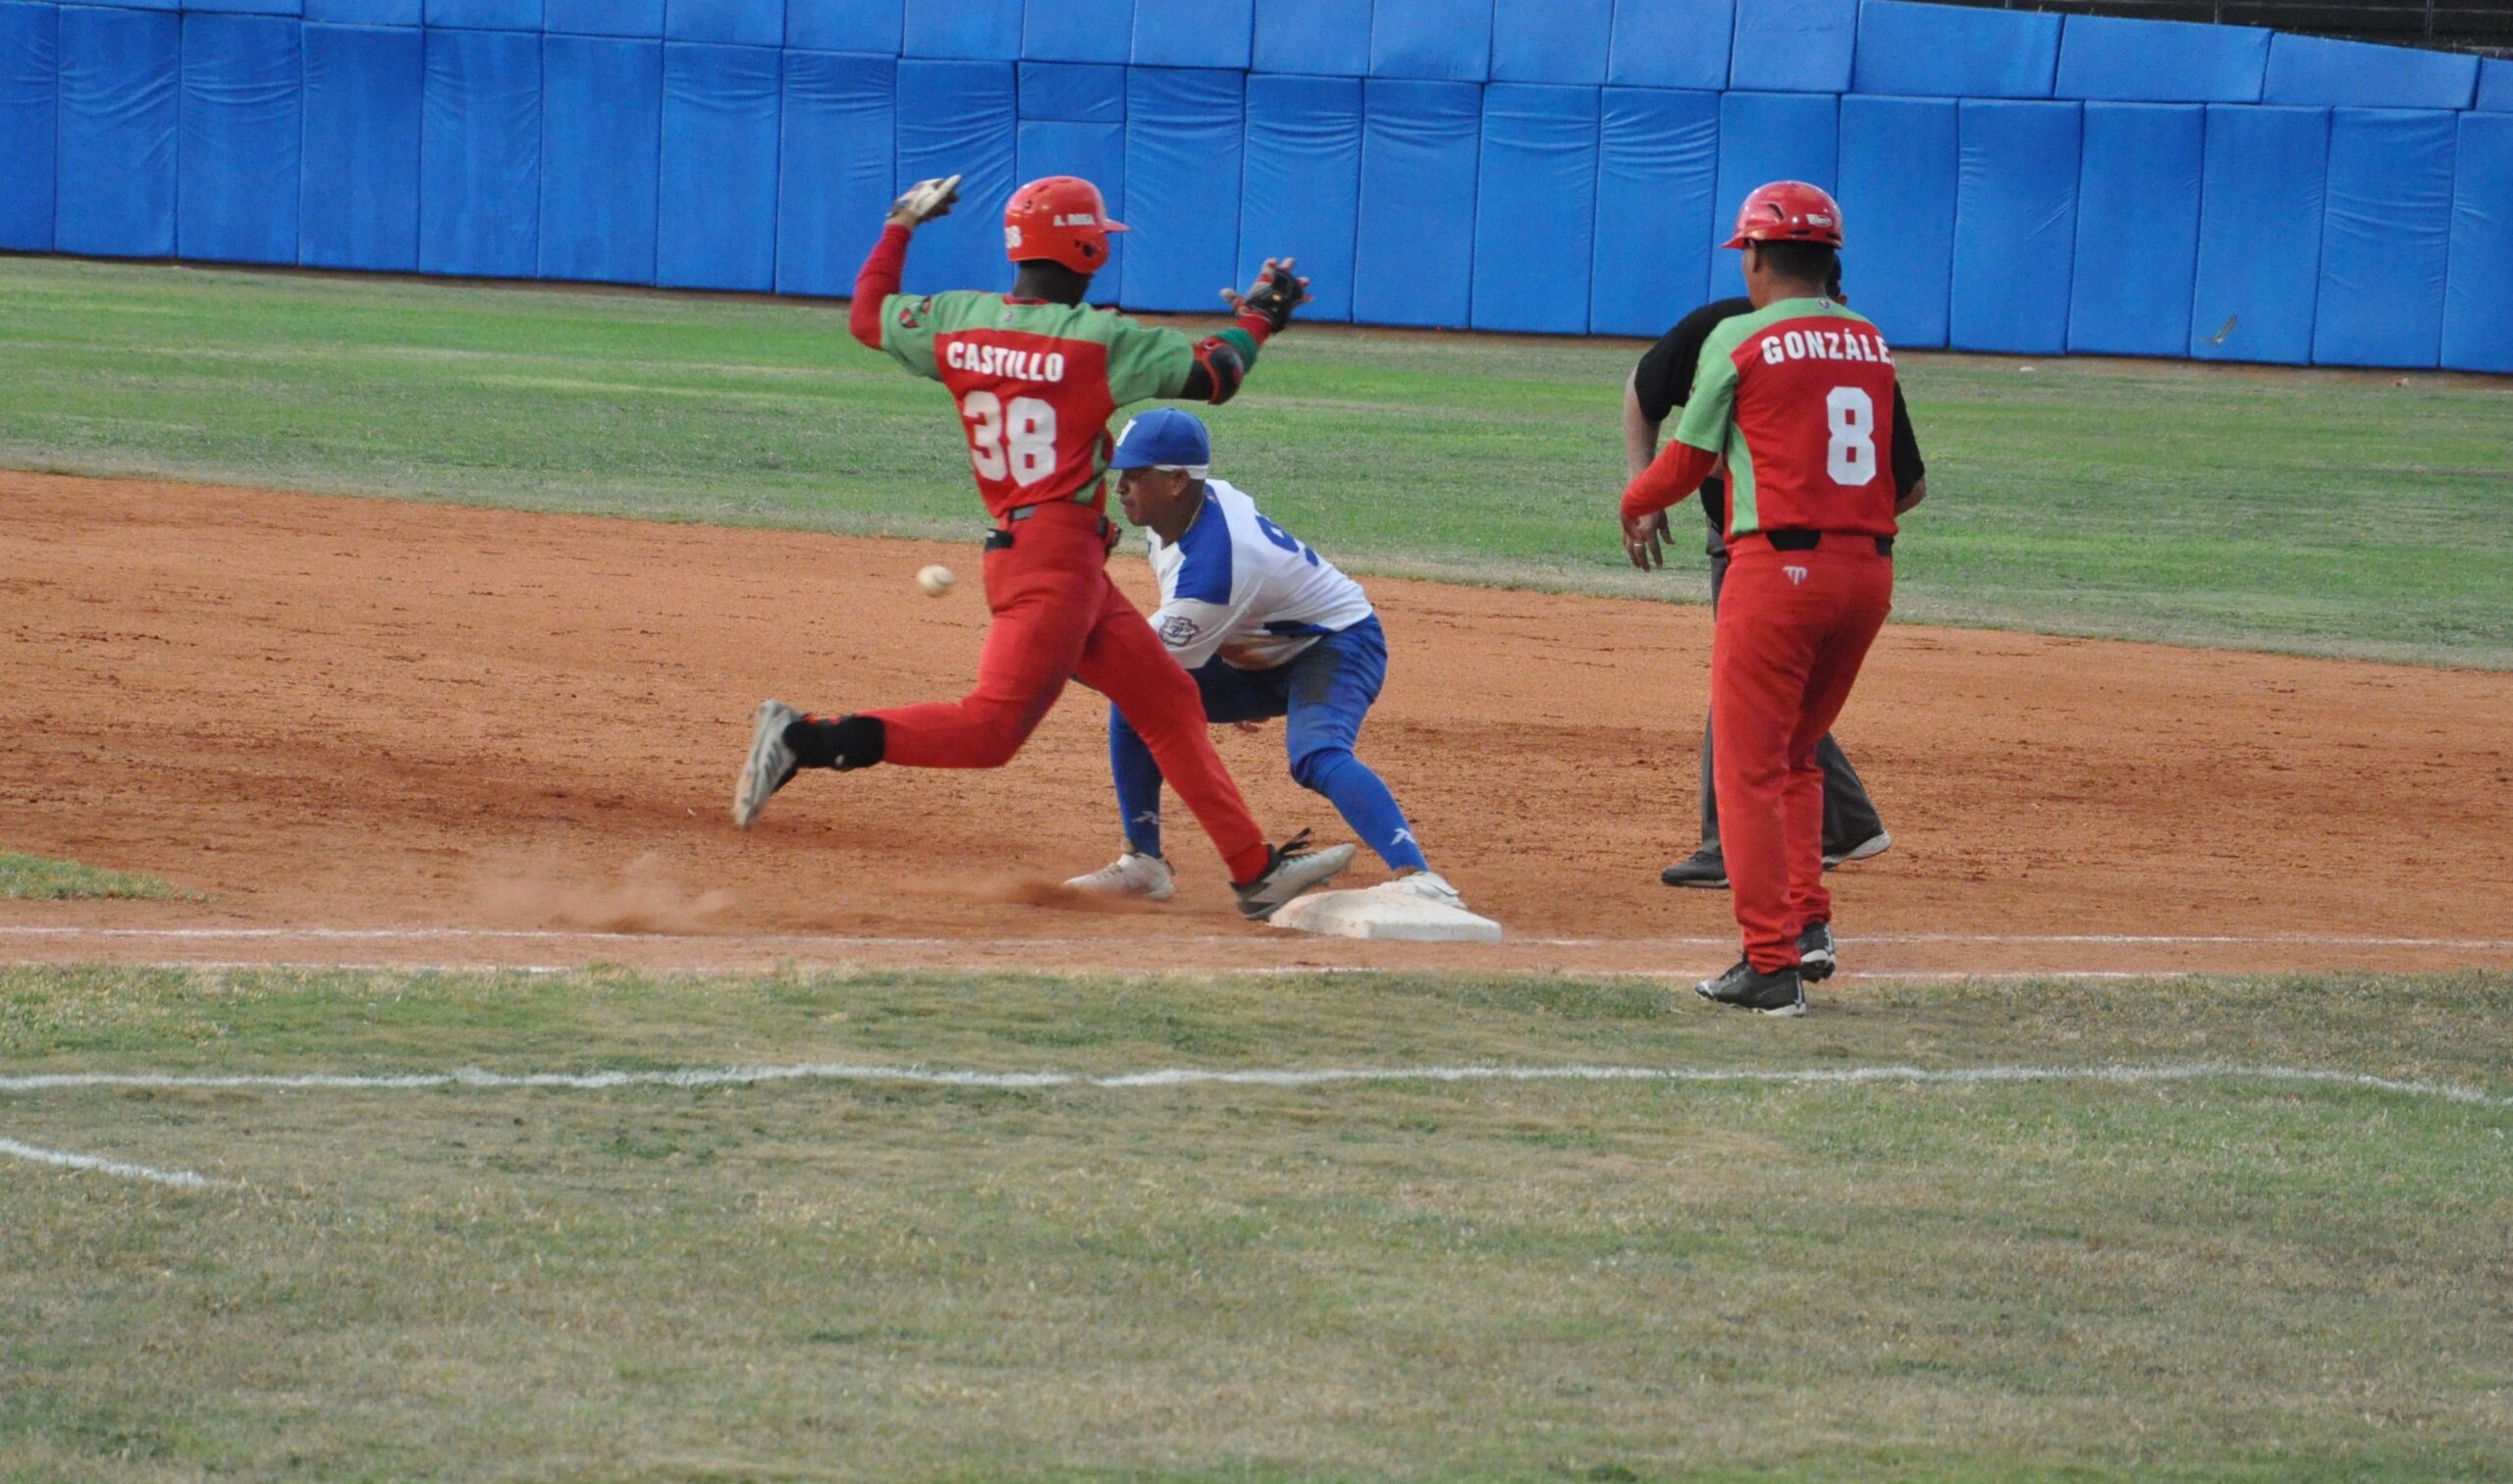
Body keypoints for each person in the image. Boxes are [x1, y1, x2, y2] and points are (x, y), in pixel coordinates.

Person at [732, 173, 1356, 922]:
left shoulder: (958, 319)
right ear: (1089, 249)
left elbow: (867, 315)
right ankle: (803, 738)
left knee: (1168, 701)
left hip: (1043, 554)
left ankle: (1255, 872)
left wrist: (901, 224)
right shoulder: (1096, 340)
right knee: (992, 729)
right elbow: (1216, 373)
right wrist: (1261, 315)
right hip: (1053, 565)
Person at [1620, 182, 1928, 1016]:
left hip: (1775, 572)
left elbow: (1685, 463)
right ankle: (1808, 926)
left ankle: (1769, 964)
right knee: (1797, 755)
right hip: (1868, 575)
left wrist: (1632, 500)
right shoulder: (1869, 341)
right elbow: (1906, 483)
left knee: (1749, 769)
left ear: (1753, 256)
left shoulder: (1739, 336)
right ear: (1830, 261)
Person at [1064, 409, 1470, 912]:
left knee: (1316, 754)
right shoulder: (1177, 512)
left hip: (1336, 645)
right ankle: (1143, 863)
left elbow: (1136, 661)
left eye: (1136, 474)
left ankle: (1420, 877)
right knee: (1136, 702)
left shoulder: (1217, 567)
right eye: (1121, 472)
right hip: (1256, 651)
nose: (1122, 486)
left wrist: (1051, 653)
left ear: (1177, 480)